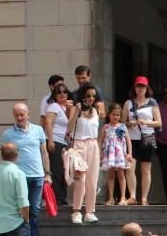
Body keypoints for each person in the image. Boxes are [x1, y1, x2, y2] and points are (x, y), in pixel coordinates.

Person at [0, 103, 50, 236]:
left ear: (28, 114)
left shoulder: (39, 130)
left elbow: (44, 153)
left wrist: (48, 173)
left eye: (22, 114)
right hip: (18, 177)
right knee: (19, 209)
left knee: (34, 209)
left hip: (37, 176)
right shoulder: (7, 134)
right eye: (17, 115)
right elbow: (4, 157)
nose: (20, 117)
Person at [122, 76, 161, 205]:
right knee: (129, 168)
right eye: (138, 86)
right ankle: (132, 196)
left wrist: (147, 122)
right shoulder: (128, 103)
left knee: (146, 170)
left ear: (147, 88)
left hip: (148, 137)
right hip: (132, 139)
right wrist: (130, 123)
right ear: (135, 87)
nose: (140, 89)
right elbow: (122, 123)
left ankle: (144, 198)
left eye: (143, 86)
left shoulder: (152, 102)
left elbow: (159, 122)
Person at [66, 85, 101, 224]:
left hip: (93, 145)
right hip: (79, 144)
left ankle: (90, 211)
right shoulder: (76, 108)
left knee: (92, 180)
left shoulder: (96, 110)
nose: (91, 98)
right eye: (88, 95)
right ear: (83, 96)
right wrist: (76, 112)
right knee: (80, 179)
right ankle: (76, 211)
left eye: (93, 96)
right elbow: (69, 128)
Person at [43, 83, 71, 206]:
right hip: (55, 141)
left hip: (64, 143)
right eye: (59, 92)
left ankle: (62, 197)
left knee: (64, 170)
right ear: (55, 95)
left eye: (64, 92)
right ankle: (57, 198)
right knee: (57, 170)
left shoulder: (66, 108)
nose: (62, 94)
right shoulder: (54, 106)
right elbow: (48, 123)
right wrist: (50, 141)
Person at [100, 103, 132, 205]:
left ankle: (122, 198)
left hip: (120, 154)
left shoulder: (122, 126)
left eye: (118, 115)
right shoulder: (106, 127)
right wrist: (100, 152)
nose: (116, 117)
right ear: (109, 114)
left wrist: (129, 153)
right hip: (109, 154)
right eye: (114, 114)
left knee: (121, 174)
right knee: (110, 175)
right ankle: (111, 198)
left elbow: (128, 141)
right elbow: (100, 140)